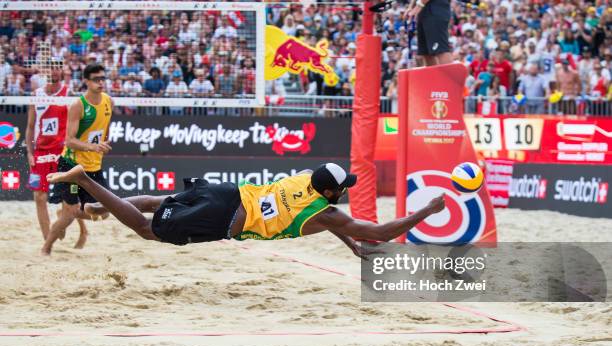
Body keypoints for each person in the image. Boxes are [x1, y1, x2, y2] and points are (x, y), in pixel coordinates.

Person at [47, 163, 446, 258]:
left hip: (229, 192)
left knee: (156, 201)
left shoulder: (309, 176)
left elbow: (329, 222)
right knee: (149, 230)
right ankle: (85, 182)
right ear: (328, 190)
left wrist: (352, 248)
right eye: (340, 189)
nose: (342, 193)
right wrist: (426, 210)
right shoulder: (326, 211)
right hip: (226, 219)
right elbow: (377, 232)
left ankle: (98, 206)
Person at [42, 64, 114, 255]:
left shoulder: (108, 101)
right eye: (96, 79)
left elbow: (104, 130)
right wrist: (93, 146)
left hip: (94, 166)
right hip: (71, 166)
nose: (101, 82)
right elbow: (69, 141)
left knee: (105, 212)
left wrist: (104, 144)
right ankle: (46, 248)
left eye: (103, 78)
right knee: (71, 213)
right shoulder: (78, 105)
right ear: (86, 81)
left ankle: (67, 213)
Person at [25, 61, 87, 242]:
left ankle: (82, 231)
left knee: (70, 200)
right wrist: (29, 152)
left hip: (63, 152)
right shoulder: (36, 95)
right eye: (51, 67)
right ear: (45, 71)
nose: (55, 70)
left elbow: (78, 123)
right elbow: (30, 127)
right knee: (39, 196)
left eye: (59, 67)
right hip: (41, 153)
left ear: (63, 71)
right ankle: (47, 240)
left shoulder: (69, 94)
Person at [405, 0, 453, 66]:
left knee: (441, 50)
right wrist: (411, 7)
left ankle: (451, 76)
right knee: (426, 53)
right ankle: (434, 76)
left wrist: (418, 6)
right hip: (424, 9)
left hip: (435, 8)